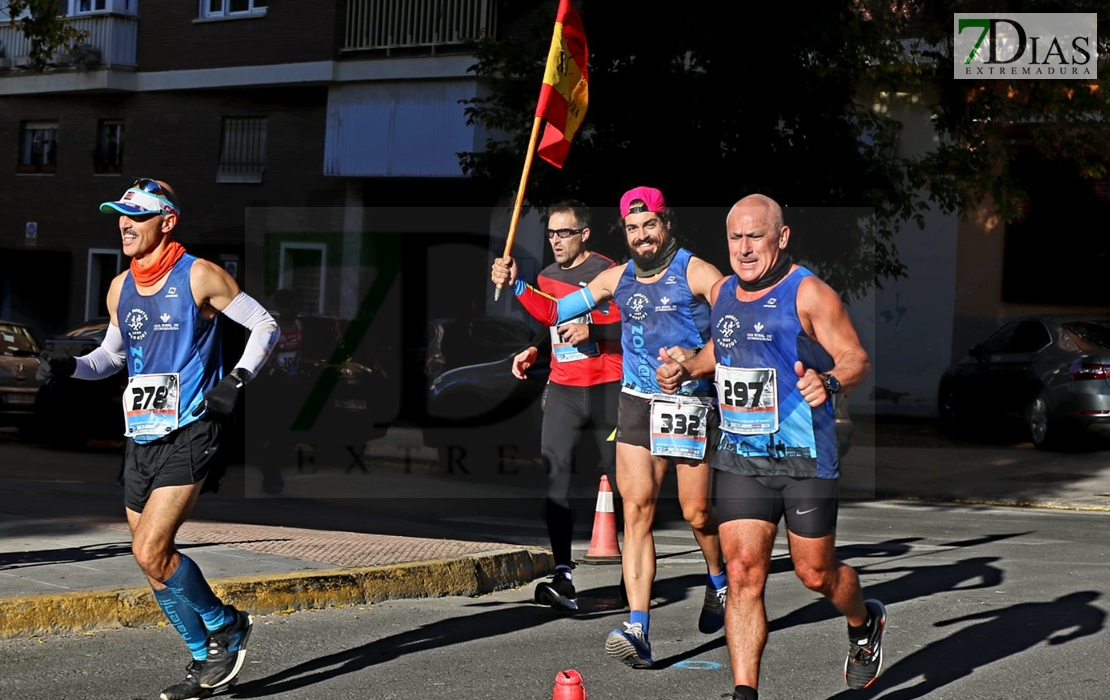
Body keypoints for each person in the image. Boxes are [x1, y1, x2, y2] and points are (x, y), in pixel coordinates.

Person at [35, 179, 279, 700]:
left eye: (136, 215)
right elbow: (110, 359)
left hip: (193, 427)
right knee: (150, 560)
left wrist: (236, 380)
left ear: (166, 221)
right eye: (119, 214)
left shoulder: (200, 276)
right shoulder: (120, 287)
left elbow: (264, 326)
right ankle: (202, 657)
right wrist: (69, 366)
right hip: (140, 434)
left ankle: (225, 624)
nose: (123, 223)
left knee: (150, 549)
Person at [655, 194, 884, 700]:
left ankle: (863, 620)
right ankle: (745, 694)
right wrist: (689, 366)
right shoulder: (724, 293)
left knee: (814, 573)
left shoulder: (809, 293)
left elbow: (856, 357)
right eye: (735, 237)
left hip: (804, 456)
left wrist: (830, 381)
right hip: (741, 453)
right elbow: (725, 347)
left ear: (780, 238)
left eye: (754, 236)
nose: (743, 248)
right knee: (742, 574)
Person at [492, 186, 727, 669]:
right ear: (625, 231)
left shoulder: (697, 271)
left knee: (696, 512)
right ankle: (638, 626)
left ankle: (719, 579)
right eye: (634, 228)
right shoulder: (615, 276)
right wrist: (517, 285)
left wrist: (697, 362)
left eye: (650, 225)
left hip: (687, 401)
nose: (642, 236)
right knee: (636, 509)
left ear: (666, 225)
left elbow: (733, 324)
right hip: (637, 401)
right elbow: (556, 312)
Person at [499, 200, 623, 613]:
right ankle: (563, 573)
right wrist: (535, 351)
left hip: (608, 385)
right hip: (565, 388)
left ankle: (634, 575)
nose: (556, 241)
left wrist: (595, 328)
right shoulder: (547, 276)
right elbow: (550, 323)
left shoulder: (610, 272)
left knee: (625, 483)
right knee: (555, 475)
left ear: (584, 234)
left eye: (564, 233)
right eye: (551, 233)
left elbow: (637, 326)